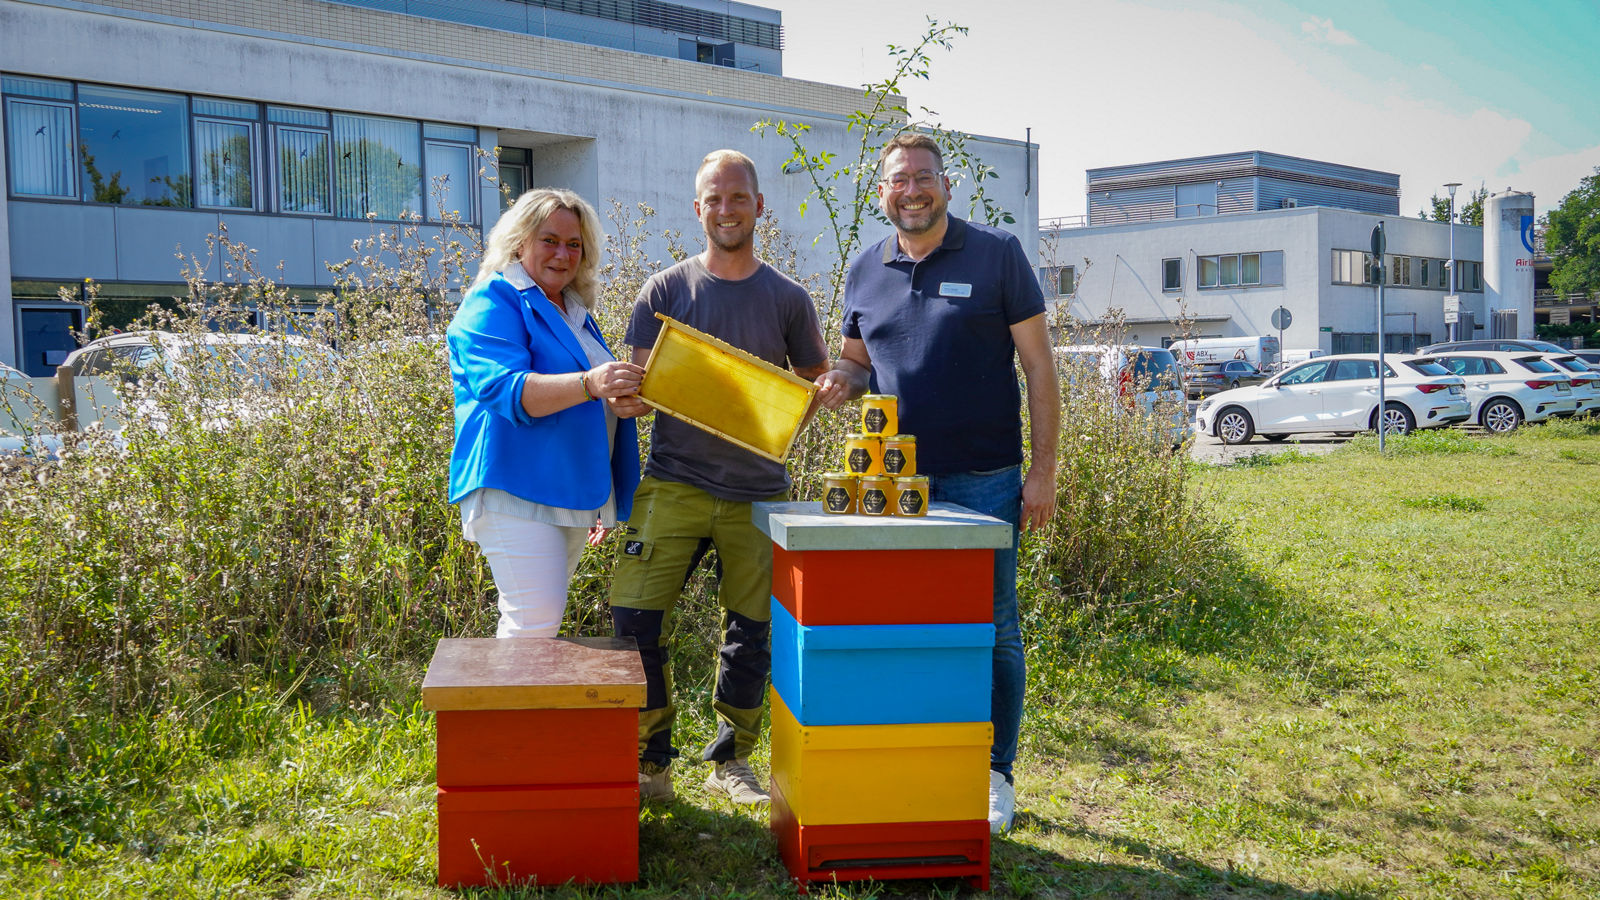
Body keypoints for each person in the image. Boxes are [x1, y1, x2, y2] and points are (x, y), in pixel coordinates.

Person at [814, 133, 1060, 834]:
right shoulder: (865, 267)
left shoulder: (997, 254)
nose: (912, 189)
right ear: (882, 192)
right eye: (899, 180)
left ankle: (995, 774)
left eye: (924, 177)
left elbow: (1040, 368)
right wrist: (839, 380)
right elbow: (860, 365)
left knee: (994, 627)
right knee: (905, 625)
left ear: (946, 187)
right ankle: (922, 754)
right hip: (896, 489)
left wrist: (1042, 472)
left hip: (985, 478)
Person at [610, 149, 831, 806]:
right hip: (672, 482)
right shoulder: (663, 290)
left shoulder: (789, 299)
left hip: (758, 491)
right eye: (715, 198)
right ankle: (651, 763)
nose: (727, 209)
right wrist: (629, 395)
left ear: (759, 206)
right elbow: (643, 388)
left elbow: (817, 379)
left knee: (751, 629)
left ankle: (729, 760)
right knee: (633, 619)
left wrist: (820, 389)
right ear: (697, 208)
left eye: (739, 198)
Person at [447, 188, 649, 639]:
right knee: (532, 626)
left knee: (538, 624)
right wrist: (592, 383)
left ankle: (513, 709)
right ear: (520, 241)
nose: (563, 253)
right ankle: (506, 710)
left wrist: (621, 398)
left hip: (567, 492)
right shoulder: (494, 298)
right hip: (514, 486)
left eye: (574, 244)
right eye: (549, 240)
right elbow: (504, 389)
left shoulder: (572, 310)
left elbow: (588, 400)